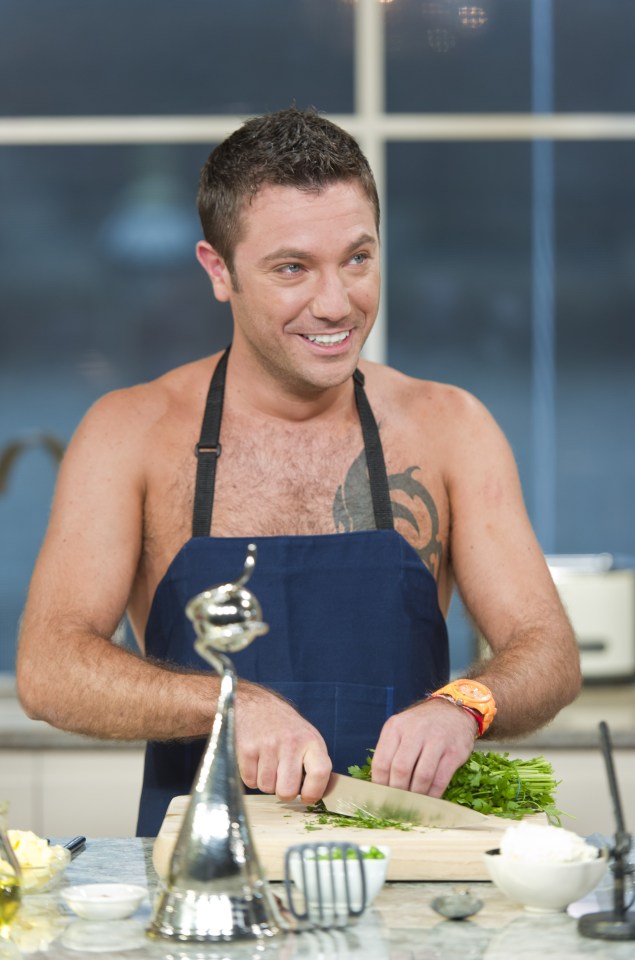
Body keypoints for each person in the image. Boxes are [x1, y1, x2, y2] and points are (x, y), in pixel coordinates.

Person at [16, 107, 581, 836]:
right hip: (208, 879)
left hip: (406, 872)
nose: (335, 302)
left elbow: (548, 651)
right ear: (218, 271)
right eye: (291, 268)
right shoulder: (130, 432)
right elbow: (48, 667)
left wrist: (462, 705)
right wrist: (228, 705)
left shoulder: (450, 426)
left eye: (357, 258)